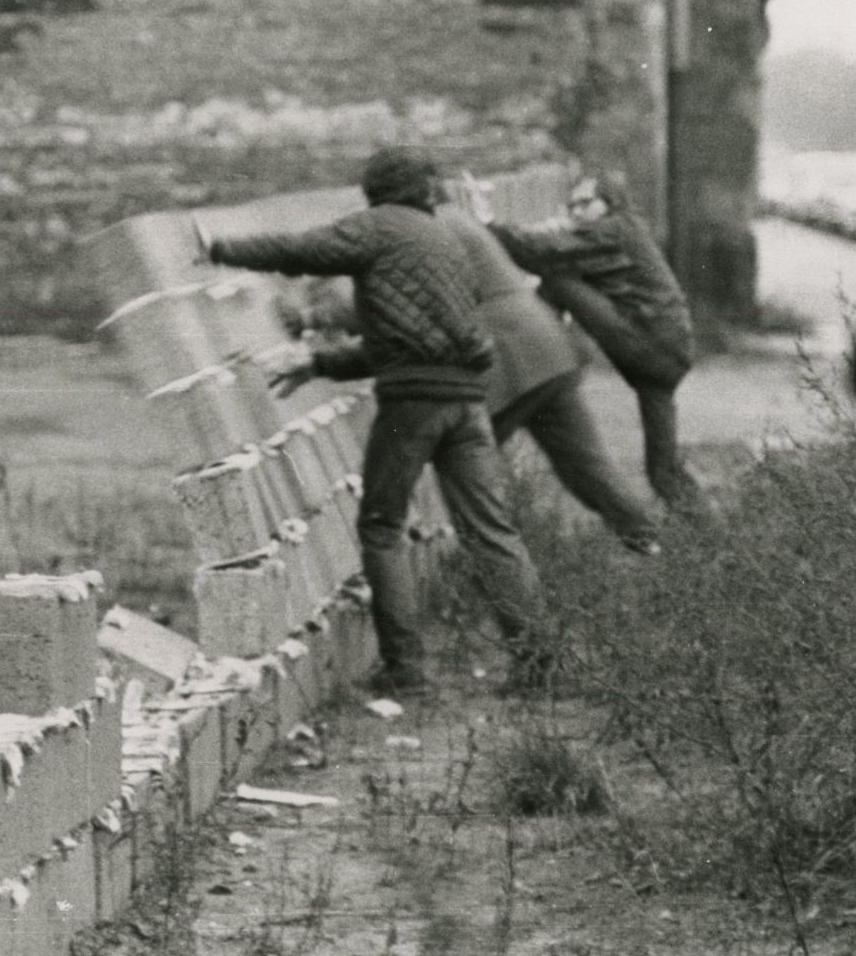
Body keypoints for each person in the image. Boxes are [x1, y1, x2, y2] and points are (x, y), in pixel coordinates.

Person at [205, 147, 552, 696]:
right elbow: (398, 342)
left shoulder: (379, 229)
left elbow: (302, 251)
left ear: (375, 190)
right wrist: (319, 363)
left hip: (413, 405)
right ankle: (539, 665)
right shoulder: (446, 240)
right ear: (426, 188)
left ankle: (405, 670)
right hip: (467, 400)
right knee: (491, 530)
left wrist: (219, 247)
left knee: (381, 526)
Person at [276, 200, 663, 554]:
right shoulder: (453, 218)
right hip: (546, 352)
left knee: (462, 471)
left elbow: (392, 315)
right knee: (586, 466)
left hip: (504, 366)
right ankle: (656, 545)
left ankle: (500, 586)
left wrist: (315, 321)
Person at [467, 171, 701, 512]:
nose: (576, 211)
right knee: (662, 472)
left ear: (611, 203)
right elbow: (552, 242)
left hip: (652, 348)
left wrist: (488, 222)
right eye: (571, 205)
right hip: (663, 356)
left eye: (585, 203)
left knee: (557, 275)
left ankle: (535, 351)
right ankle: (709, 536)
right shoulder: (614, 231)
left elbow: (539, 252)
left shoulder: (615, 229)